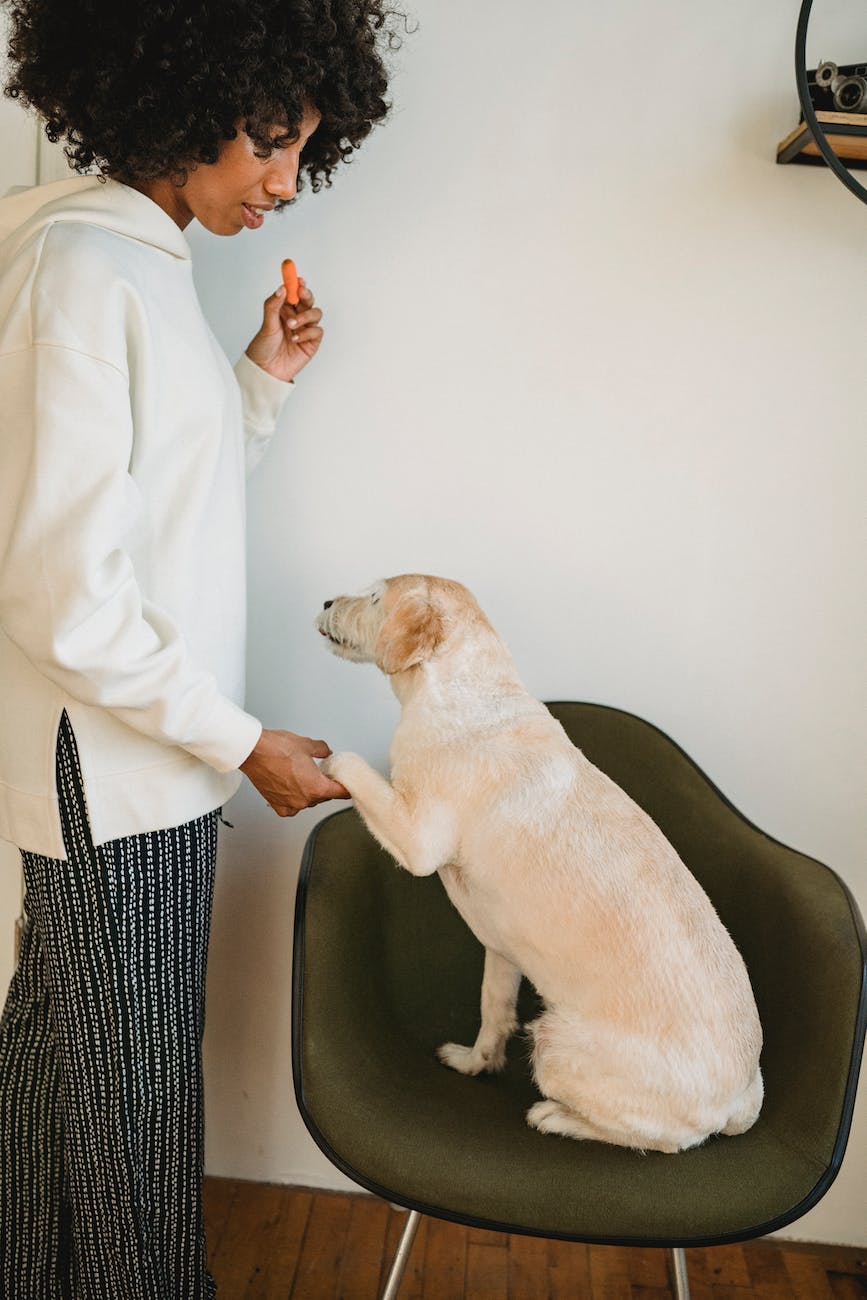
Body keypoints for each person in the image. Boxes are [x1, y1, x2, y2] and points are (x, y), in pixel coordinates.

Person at [0, 1, 404, 1294]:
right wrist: (244, 744)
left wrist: (257, 384)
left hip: (158, 759)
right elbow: (62, 595)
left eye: (305, 150)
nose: (285, 183)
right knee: (128, 1124)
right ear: (175, 105)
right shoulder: (77, 271)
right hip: (114, 771)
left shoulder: (153, 265)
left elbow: (161, 504)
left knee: (59, 1085)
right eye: (270, 143)